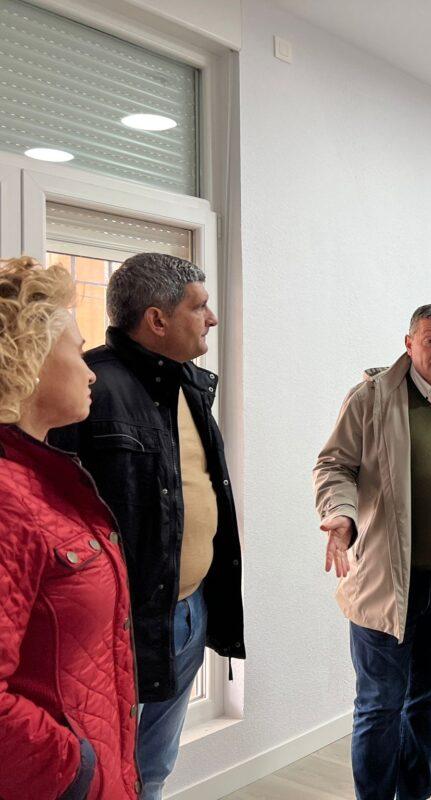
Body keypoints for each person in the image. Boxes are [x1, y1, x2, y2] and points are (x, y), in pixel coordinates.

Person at [50, 253, 245, 799]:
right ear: (157, 319)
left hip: (190, 609)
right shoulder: (90, 388)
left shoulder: (191, 385)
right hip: (118, 626)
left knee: (152, 767)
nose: (211, 319)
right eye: (199, 307)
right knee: (99, 774)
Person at [314, 304, 431, 800]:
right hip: (385, 584)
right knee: (380, 705)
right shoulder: (372, 397)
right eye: (430, 341)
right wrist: (341, 514)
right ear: (409, 344)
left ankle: (415, 794)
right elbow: (334, 466)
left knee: (426, 700)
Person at [0, 257, 139, 799]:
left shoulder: (41, 475)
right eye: (78, 352)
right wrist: (73, 769)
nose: (91, 371)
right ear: (27, 356)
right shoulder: (8, 498)